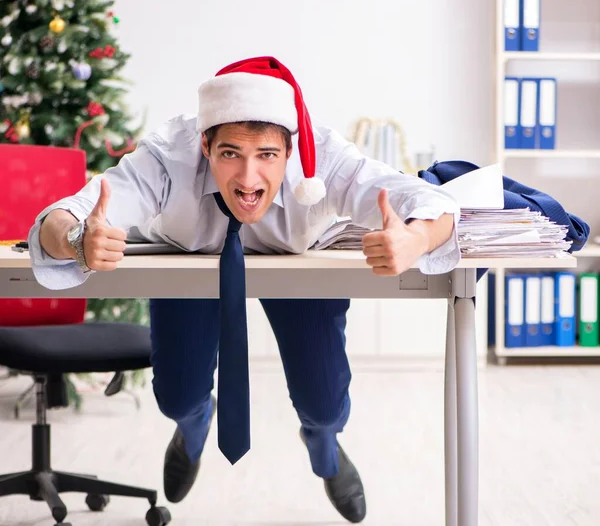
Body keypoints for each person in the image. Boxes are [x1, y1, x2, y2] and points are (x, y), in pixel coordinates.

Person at [28, 56, 461, 523]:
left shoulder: (327, 157)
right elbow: (65, 214)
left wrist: (416, 238)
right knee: (177, 395)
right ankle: (194, 426)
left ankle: (324, 447)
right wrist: (76, 240)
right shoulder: (167, 157)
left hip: (295, 261)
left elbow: (431, 202)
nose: (249, 179)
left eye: (267, 156)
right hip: (193, 262)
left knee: (325, 402)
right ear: (205, 146)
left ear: (290, 152)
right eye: (231, 153)